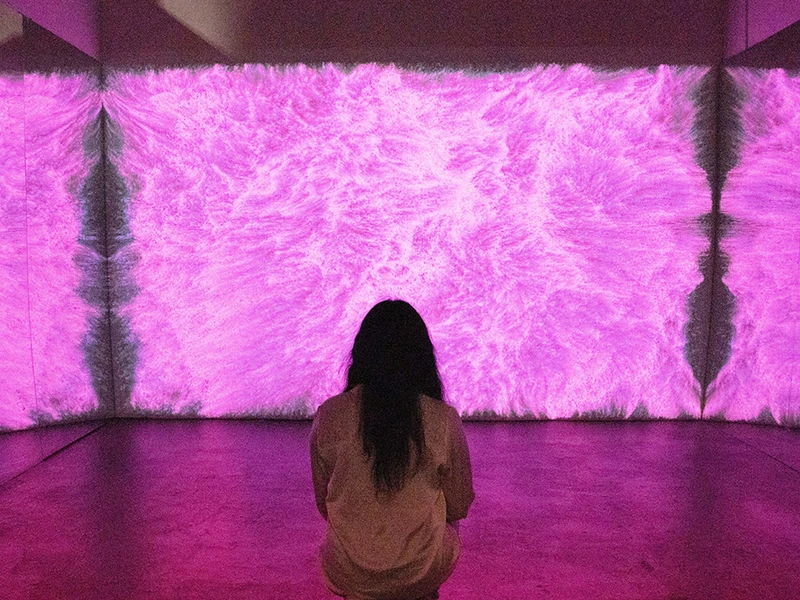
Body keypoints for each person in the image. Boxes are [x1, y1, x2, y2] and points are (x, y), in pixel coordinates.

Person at [310, 300, 475, 600]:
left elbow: (325, 504)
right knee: (444, 520)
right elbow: (460, 504)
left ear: (361, 355)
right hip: (420, 571)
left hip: (348, 571)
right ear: (422, 358)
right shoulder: (442, 419)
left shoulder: (330, 415)